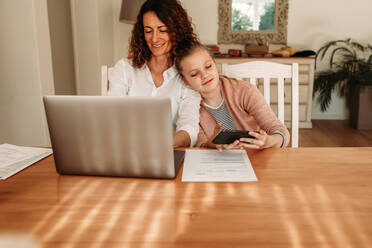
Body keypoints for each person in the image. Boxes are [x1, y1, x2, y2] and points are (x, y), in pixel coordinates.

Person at [108, 0, 201, 147]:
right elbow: (111, 117)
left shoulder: (188, 76)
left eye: (162, 30)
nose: (154, 38)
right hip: (126, 150)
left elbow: (189, 128)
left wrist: (160, 145)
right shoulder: (124, 70)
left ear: (177, 31)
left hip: (167, 152)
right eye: (148, 30)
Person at [174, 41, 290, 150]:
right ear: (185, 81)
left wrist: (268, 141)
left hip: (254, 159)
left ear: (215, 63)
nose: (205, 75)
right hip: (217, 164)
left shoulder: (245, 91)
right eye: (194, 74)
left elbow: (281, 133)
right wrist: (211, 144)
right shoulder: (189, 107)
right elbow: (200, 146)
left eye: (208, 66)